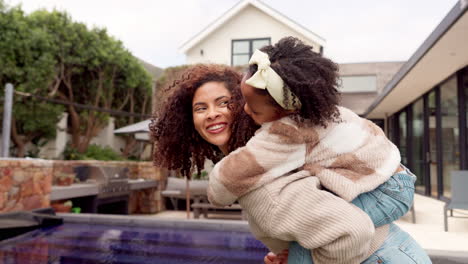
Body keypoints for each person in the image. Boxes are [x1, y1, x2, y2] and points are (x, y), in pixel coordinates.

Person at [207, 37, 431, 264]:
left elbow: (237, 172)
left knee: (307, 251)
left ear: (286, 110)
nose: (245, 110)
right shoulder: (321, 112)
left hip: (386, 193)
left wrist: (217, 187)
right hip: (395, 180)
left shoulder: (291, 132)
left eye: (254, 110)